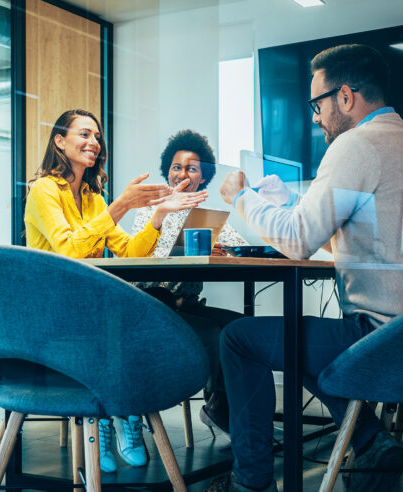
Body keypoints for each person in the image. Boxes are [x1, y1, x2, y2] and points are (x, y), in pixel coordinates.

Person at [214, 44, 403, 492]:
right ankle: (370, 440)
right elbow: (367, 223)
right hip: (394, 334)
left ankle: (250, 483)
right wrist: (294, 204)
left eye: (316, 103)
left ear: (345, 97)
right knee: (297, 335)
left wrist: (242, 199)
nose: (315, 117)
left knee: (240, 339)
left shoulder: (356, 144)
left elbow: (299, 241)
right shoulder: (394, 138)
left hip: (380, 340)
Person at [24, 109, 208, 473]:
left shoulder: (93, 198)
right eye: (84, 134)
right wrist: (121, 204)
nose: (94, 142)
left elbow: (130, 251)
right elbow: (68, 250)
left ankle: (119, 412)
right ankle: (117, 413)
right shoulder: (43, 190)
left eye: (97, 137)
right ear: (59, 141)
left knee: (151, 306)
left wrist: (157, 215)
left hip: (90, 303)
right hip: (55, 309)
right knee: (130, 316)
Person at [131, 130, 248, 438]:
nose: (182, 173)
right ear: (167, 171)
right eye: (176, 167)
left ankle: (226, 409)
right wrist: (193, 249)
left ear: (202, 177)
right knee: (214, 334)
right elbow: (150, 256)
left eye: (191, 168)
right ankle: (219, 411)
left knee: (243, 328)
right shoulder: (150, 209)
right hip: (153, 306)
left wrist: (225, 249)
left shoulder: (206, 215)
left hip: (189, 306)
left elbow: (239, 248)